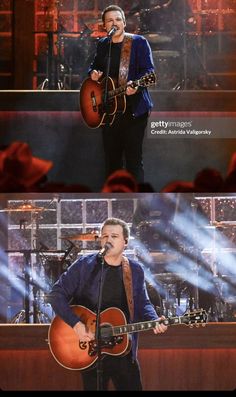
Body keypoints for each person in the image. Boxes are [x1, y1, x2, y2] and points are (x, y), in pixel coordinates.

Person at [49, 217, 167, 391]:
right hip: (90, 350)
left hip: (123, 350)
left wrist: (154, 319)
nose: (108, 240)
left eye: (114, 236)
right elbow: (55, 295)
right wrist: (76, 324)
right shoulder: (85, 265)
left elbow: (143, 303)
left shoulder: (134, 270)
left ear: (125, 242)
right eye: (104, 236)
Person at [86, 4, 155, 184]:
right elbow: (94, 66)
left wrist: (137, 86)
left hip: (133, 110)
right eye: (110, 20)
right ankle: (114, 204)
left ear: (124, 23)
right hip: (108, 111)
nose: (114, 23)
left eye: (118, 19)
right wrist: (92, 73)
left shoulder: (138, 42)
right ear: (104, 26)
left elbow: (150, 72)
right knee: (112, 163)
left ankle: (138, 208)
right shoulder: (103, 44)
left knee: (133, 162)